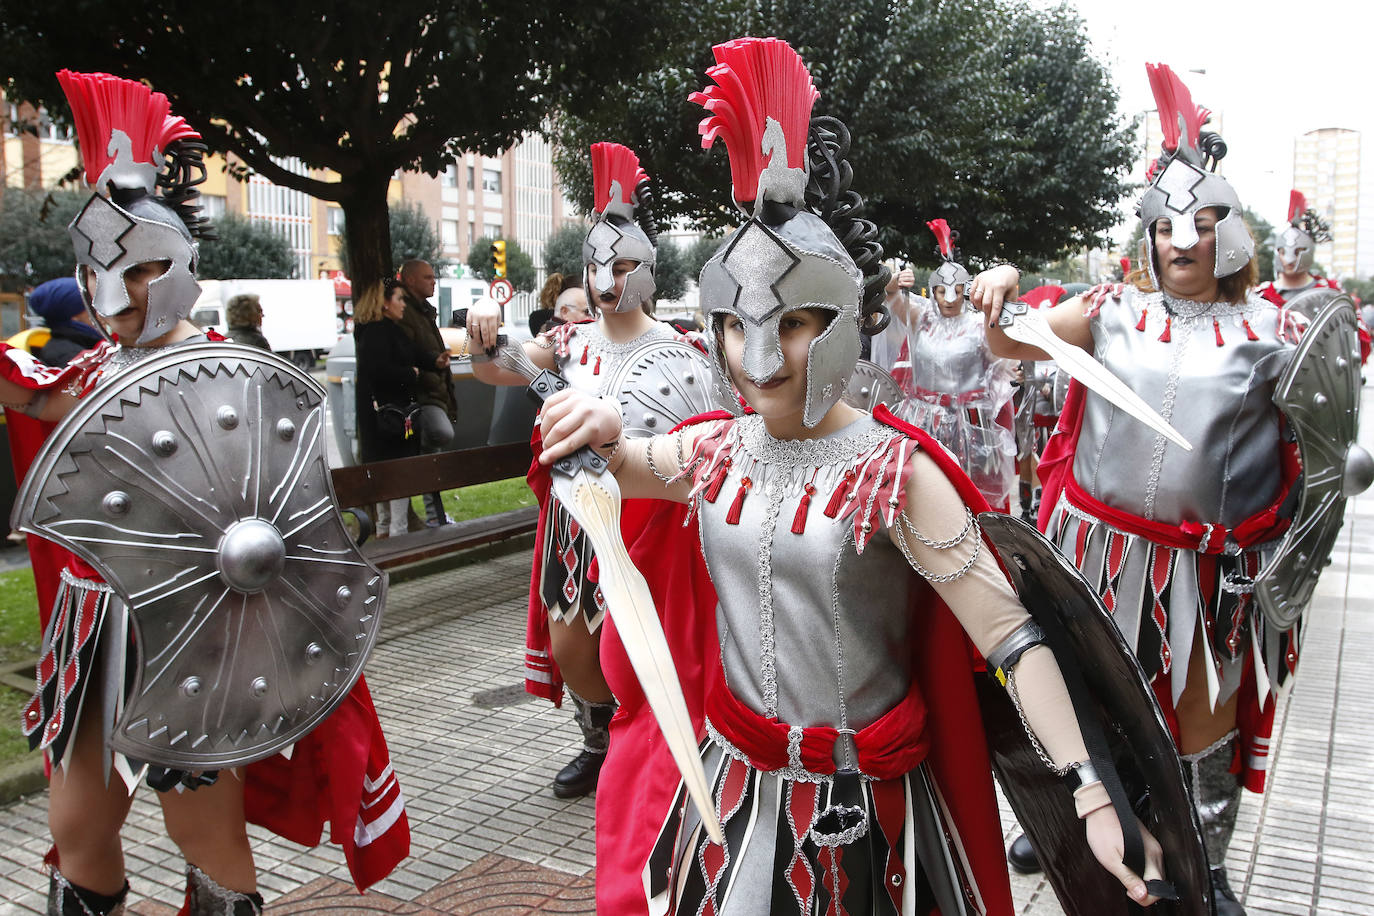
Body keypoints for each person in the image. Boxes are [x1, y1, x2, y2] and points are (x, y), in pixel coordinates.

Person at [535, 37, 1164, 915]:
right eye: (743, 323)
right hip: (730, 800)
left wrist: (1091, 790)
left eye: (796, 322)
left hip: (865, 820)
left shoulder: (894, 473)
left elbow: (1010, 641)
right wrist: (600, 429)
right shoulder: (716, 449)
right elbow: (628, 468)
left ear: (845, 316)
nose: (762, 356)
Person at [0, 70, 407, 915]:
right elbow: (35, 394)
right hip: (93, 635)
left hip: (197, 639)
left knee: (208, 843)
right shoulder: (87, 370)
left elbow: (298, 530)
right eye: (101, 266)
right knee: (80, 829)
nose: (119, 291)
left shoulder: (241, 379)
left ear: (182, 261)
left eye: (143, 267)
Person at [982, 64, 1302, 916]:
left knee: (1202, 718)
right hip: (1098, 556)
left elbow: (1320, 449)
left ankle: (1209, 865)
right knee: (1091, 698)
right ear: (1148, 235)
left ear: (1231, 235)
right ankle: (1098, 824)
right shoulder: (1110, 311)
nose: (1181, 241)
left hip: (1206, 571)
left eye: (1202, 224)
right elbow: (1011, 344)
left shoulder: (1276, 332)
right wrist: (1003, 289)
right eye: (1166, 226)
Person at [466, 142, 708, 807]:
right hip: (575, 515)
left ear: (649, 267)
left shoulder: (690, 346)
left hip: (653, 515)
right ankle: (598, 743)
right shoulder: (566, 343)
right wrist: (481, 331)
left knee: (649, 647)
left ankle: (661, 750)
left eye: (623, 263)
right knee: (574, 646)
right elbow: (496, 365)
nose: (606, 279)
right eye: (596, 264)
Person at [886, 222, 1019, 511]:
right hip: (921, 422)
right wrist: (895, 281)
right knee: (921, 499)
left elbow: (1004, 362)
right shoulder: (920, 319)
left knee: (971, 502)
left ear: (965, 292)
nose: (949, 298)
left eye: (957, 291)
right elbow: (891, 297)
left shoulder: (979, 326)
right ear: (933, 291)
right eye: (942, 291)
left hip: (971, 427)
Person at [354, 277, 432, 537]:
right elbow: (380, 370)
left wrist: (432, 361)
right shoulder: (380, 332)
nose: (403, 305)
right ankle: (398, 534)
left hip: (380, 419)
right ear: (384, 303)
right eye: (399, 299)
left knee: (383, 476)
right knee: (398, 473)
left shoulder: (370, 331)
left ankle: (385, 530)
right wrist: (411, 373)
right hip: (393, 418)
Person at [396, 258, 457, 526]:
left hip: (434, 391)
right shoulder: (406, 311)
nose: (434, 282)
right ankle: (435, 515)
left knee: (431, 456)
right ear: (409, 280)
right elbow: (409, 351)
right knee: (435, 443)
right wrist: (432, 361)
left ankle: (436, 515)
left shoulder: (423, 310)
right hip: (421, 398)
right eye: (427, 277)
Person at [24, 278, 103, 367]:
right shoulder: (68, 355)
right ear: (73, 316)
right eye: (92, 307)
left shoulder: (84, 342)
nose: (101, 313)